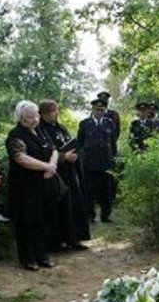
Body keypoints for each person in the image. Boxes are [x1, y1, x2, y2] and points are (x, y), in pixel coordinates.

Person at [6, 100, 57, 271]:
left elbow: (54, 149)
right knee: (27, 222)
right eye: (29, 117)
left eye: (36, 116)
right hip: (24, 187)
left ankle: (42, 255)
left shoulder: (41, 131)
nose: (34, 120)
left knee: (42, 220)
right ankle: (28, 258)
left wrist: (52, 165)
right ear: (21, 118)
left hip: (43, 184)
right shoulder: (15, 135)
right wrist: (46, 167)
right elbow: (21, 158)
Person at [39, 100, 89, 250]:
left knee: (75, 204)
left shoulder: (61, 128)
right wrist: (63, 157)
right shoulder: (41, 130)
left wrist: (74, 155)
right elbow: (45, 152)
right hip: (57, 173)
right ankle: (59, 240)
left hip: (70, 171)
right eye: (53, 111)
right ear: (44, 113)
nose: (56, 113)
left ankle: (75, 238)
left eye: (56, 110)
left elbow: (71, 144)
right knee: (60, 208)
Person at [76, 98, 116, 223]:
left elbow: (113, 143)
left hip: (105, 162)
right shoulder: (85, 124)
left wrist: (113, 157)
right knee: (89, 191)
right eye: (97, 109)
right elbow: (79, 143)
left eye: (102, 110)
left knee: (106, 190)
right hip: (89, 162)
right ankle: (90, 215)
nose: (100, 112)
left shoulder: (109, 123)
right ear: (93, 110)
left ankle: (106, 215)